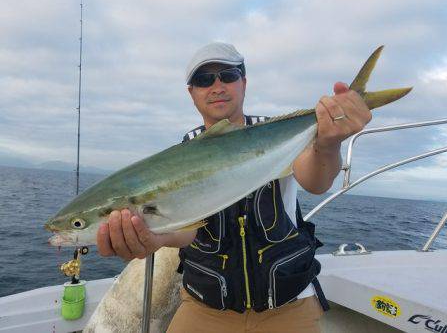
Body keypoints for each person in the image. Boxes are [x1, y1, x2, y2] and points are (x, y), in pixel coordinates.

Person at [96, 42, 372, 333]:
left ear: (244, 82)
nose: (217, 86)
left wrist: (328, 145)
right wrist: (157, 238)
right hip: (206, 306)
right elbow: (188, 228)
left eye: (227, 75)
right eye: (204, 80)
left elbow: (316, 181)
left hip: (288, 303)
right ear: (192, 93)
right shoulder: (182, 156)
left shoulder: (274, 132)